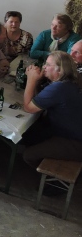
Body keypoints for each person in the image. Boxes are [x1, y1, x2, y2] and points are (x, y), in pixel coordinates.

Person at [22, 52, 82, 186]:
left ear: (59, 70)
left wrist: (31, 79)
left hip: (75, 142)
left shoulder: (59, 87)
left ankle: (55, 183)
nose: (44, 67)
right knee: (29, 135)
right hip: (66, 132)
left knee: (29, 155)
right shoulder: (72, 81)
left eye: (48, 65)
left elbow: (28, 107)